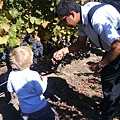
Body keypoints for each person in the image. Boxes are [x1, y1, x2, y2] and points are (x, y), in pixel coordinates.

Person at [53, 0, 120, 120]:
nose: (63, 24)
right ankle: (108, 106)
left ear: (72, 14)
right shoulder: (82, 18)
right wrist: (63, 51)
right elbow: (80, 43)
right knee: (108, 78)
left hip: (117, 48)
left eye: (63, 20)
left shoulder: (97, 20)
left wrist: (100, 64)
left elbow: (118, 46)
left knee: (111, 83)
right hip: (113, 48)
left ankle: (107, 115)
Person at [7, 46, 55, 120]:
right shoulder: (33, 75)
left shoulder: (12, 75)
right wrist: (45, 80)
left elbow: (10, 89)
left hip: (25, 110)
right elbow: (40, 91)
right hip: (40, 108)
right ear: (31, 61)